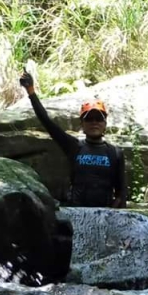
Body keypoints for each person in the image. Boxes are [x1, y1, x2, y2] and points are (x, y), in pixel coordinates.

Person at [20, 71, 126, 207]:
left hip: (105, 215)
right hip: (77, 213)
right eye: (89, 119)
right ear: (82, 124)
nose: (94, 122)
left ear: (105, 123)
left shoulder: (115, 153)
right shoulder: (74, 147)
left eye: (99, 119)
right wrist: (31, 91)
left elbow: (121, 192)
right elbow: (47, 122)